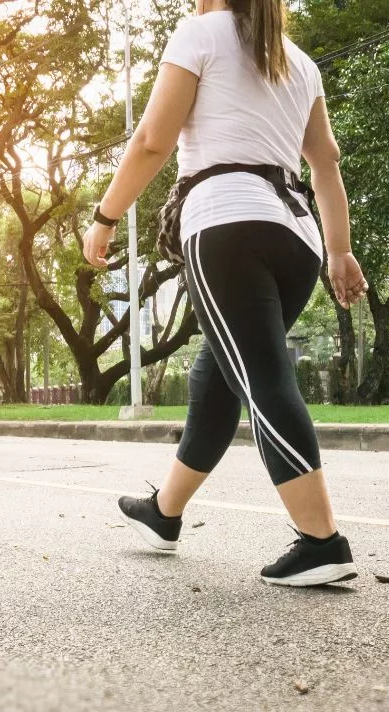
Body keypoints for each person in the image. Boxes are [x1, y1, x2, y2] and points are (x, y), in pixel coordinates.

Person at [83, 0, 368, 586]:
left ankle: (322, 543)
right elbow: (326, 164)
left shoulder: (200, 33)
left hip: (226, 225)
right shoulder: (299, 62)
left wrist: (105, 216)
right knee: (216, 376)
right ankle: (164, 513)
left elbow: (151, 141)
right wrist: (339, 250)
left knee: (261, 376)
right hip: (299, 239)